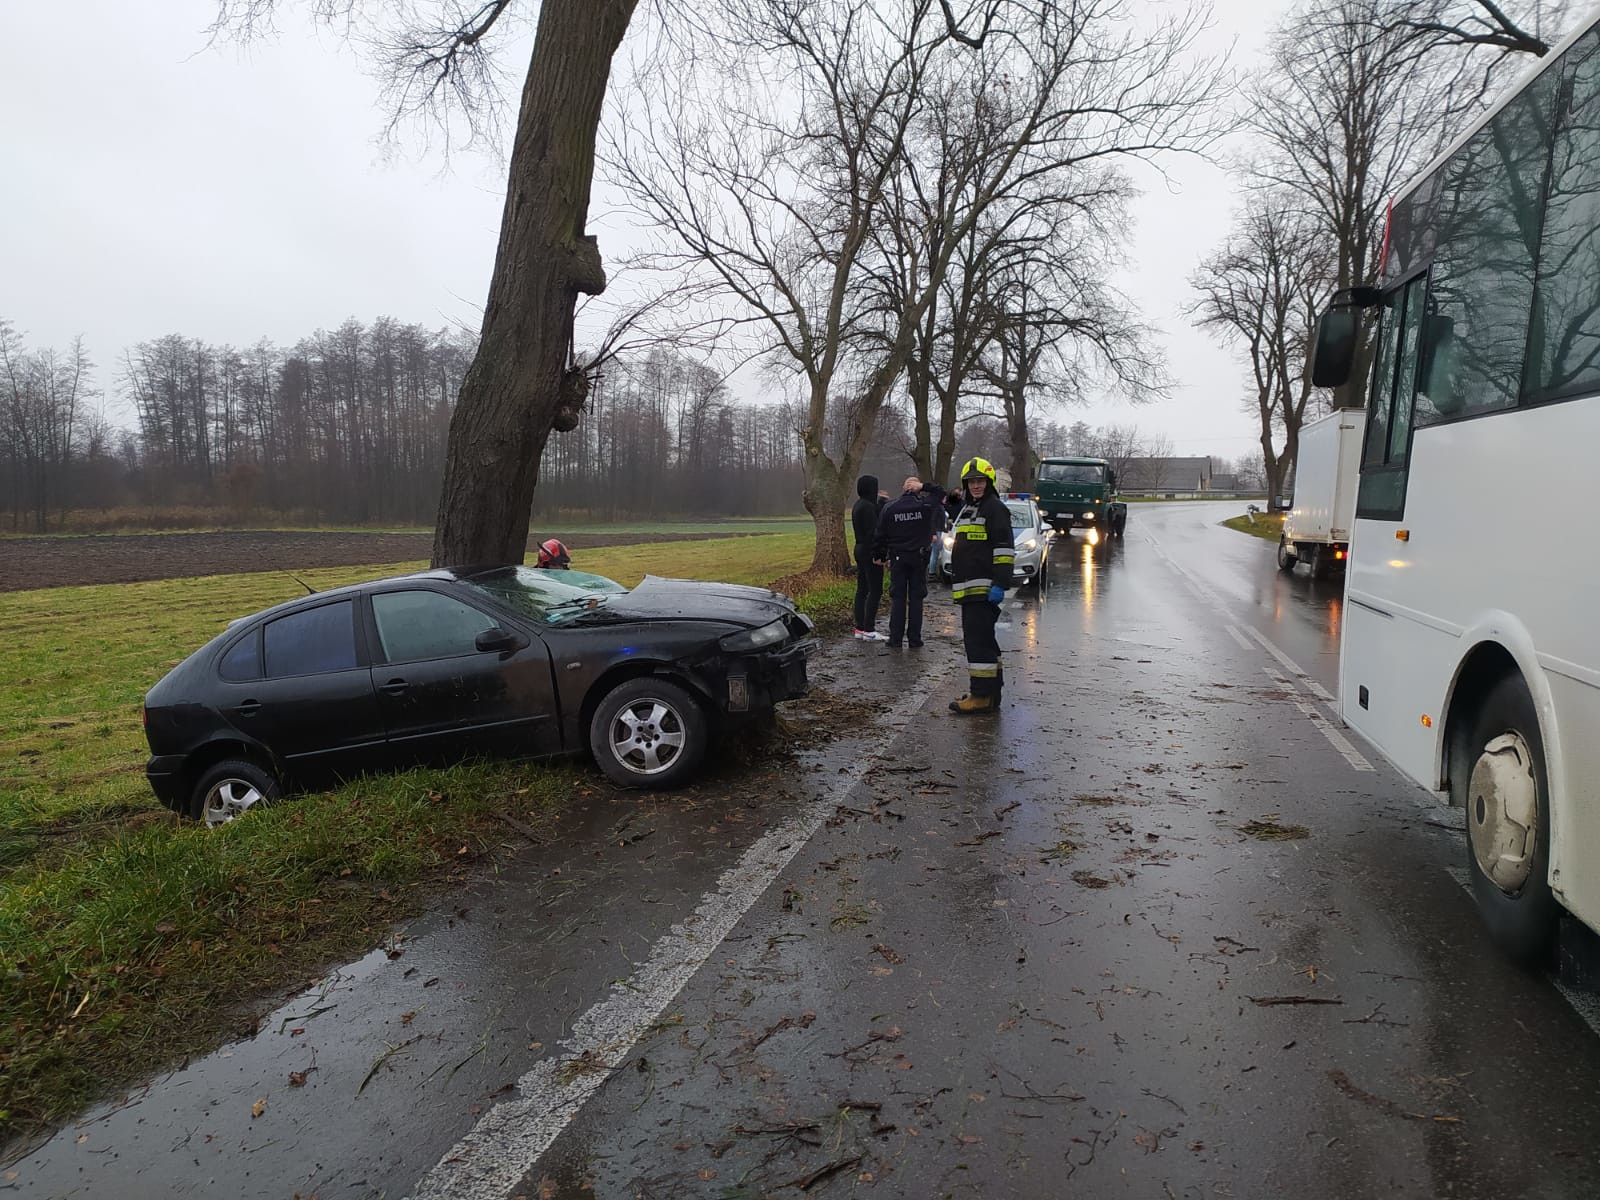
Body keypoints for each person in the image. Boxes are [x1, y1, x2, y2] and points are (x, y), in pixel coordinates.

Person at [947, 457, 1014, 715]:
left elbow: (1004, 550)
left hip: (983, 590)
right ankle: (991, 693)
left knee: (977, 644)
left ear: (989, 483)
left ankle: (981, 696)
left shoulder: (994, 509)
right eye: (971, 481)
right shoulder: (970, 508)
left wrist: (1000, 584)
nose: (976, 485)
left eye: (980, 481)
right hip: (970, 590)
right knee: (985, 642)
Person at [874, 476, 935, 649]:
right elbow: (940, 493)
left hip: (898, 558)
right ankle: (915, 639)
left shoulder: (891, 507)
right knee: (916, 599)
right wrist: (924, 486)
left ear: (903, 487)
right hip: (919, 558)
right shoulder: (925, 506)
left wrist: (880, 555)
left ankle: (895, 639)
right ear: (916, 488)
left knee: (898, 598)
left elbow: (880, 533)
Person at [851, 474, 885, 640]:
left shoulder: (859, 505)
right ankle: (869, 629)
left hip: (859, 548)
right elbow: (874, 532)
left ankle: (859, 627)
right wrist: (879, 554)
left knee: (862, 589)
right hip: (870, 550)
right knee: (875, 589)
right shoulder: (868, 507)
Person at [920, 481, 949, 580]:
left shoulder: (940, 506)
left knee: (937, 551)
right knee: (935, 552)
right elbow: (932, 520)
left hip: (939, 531)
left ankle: (932, 570)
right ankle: (931, 572)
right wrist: (933, 534)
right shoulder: (937, 507)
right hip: (936, 531)